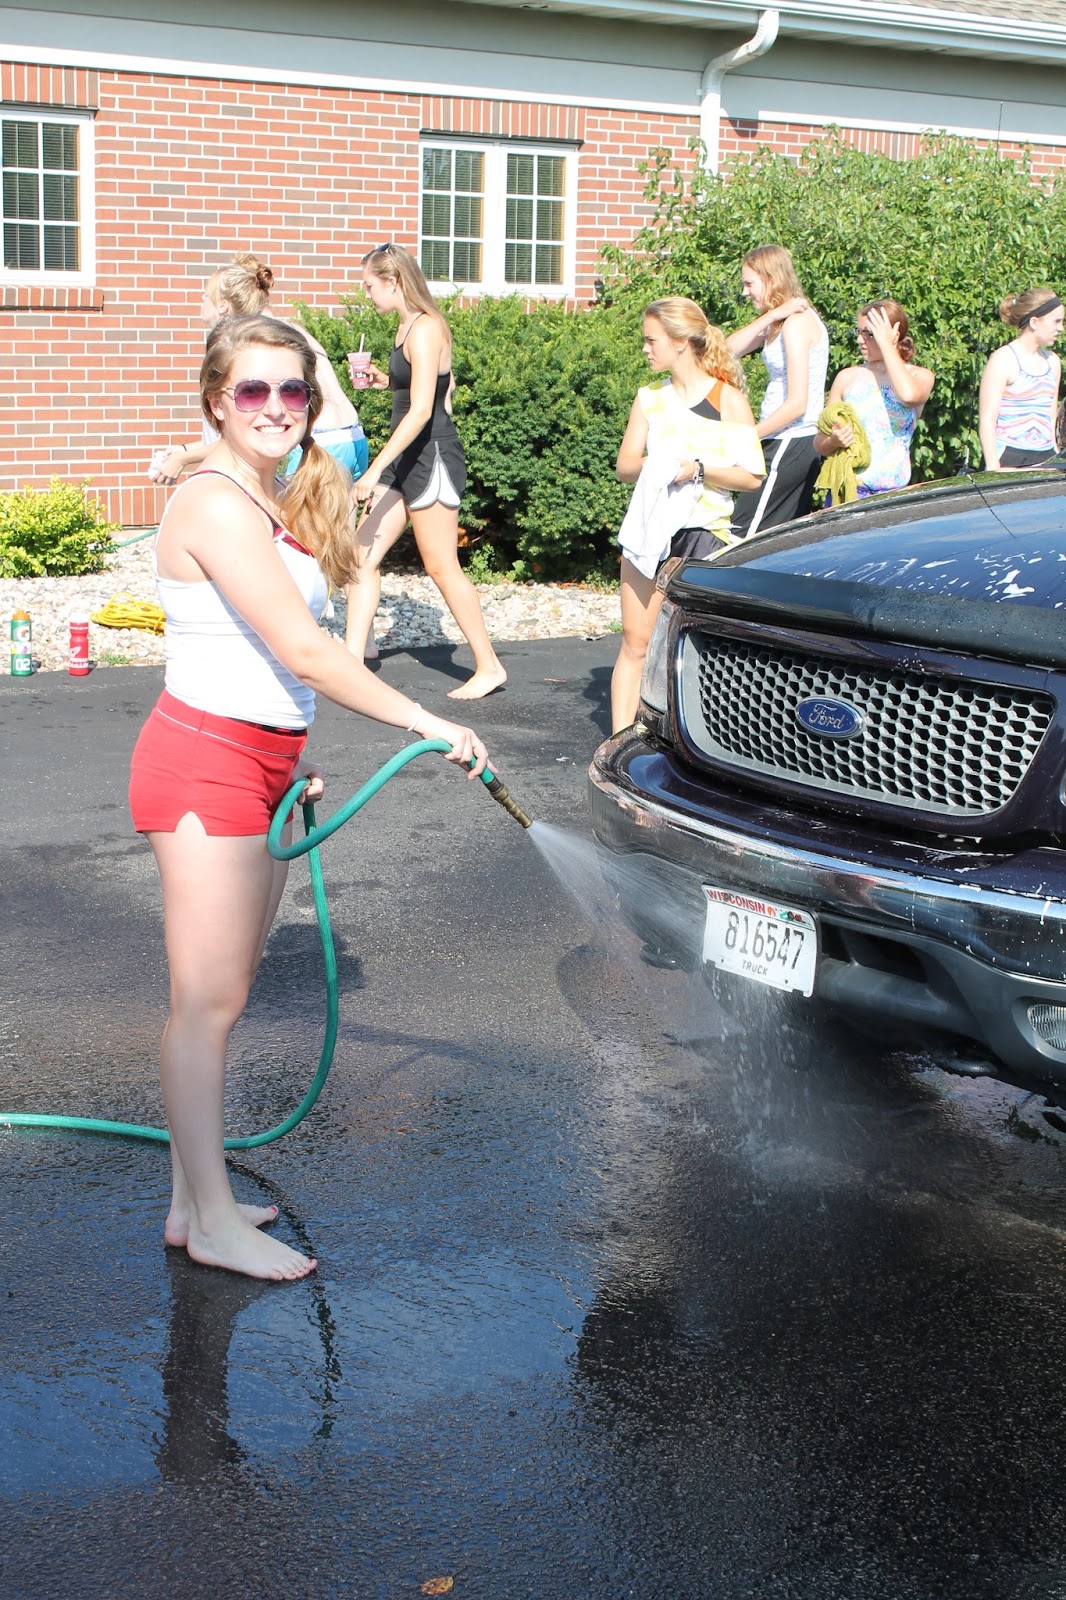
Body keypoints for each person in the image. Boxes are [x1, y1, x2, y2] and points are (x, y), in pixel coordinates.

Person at [129, 313, 489, 1282]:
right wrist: (421, 719)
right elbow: (300, 647)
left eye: (295, 391)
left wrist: (293, 760)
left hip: (260, 765)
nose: (279, 407)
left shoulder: (270, 497)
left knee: (216, 998)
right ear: (217, 399)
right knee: (209, 1002)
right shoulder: (211, 502)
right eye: (255, 390)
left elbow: (268, 666)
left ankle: (190, 1197)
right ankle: (208, 1219)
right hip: (203, 766)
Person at [344, 243, 506, 699]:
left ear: (393, 281)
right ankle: (354, 660)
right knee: (361, 555)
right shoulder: (406, 327)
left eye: (370, 285)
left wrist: (373, 470)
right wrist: (384, 380)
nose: (368, 294)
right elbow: (432, 386)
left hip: (430, 454)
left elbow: (421, 412)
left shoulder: (425, 328)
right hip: (407, 457)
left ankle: (489, 666)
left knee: (441, 566)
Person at [610, 296, 764, 733]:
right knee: (634, 643)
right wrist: (663, 464)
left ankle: (689, 741)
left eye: (651, 340)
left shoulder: (726, 400)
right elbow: (625, 465)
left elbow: (751, 475)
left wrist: (696, 468)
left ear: (680, 343)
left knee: (678, 646)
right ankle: (617, 744)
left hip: (701, 533)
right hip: (648, 529)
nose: (645, 348)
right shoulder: (649, 398)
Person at [150, 254, 368, 486]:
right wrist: (183, 451)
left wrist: (183, 458)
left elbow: (244, 432)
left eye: (206, 295)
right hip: (353, 438)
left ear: (223, 305)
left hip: (320, 445)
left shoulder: (257, 345)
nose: (201, 300)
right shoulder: (291, 330)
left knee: (288, 520)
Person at [725, 245, 829, 538]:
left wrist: (749, 436)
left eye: (749, 283)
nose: (745, 292)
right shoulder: (781, 321)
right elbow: (727, 350)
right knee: (772, 540)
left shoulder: (796, 323)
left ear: (771, 278)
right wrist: (773, 315)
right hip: (781, 438)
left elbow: (797, 403)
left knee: (741, 535)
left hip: (791, 439)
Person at [812, 300, 934, 499]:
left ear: (893, 334)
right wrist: (833, 441)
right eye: (860, 332)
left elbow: (909, 396)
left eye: (869, 334)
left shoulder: (919, 376)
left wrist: (887, 346)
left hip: (893, 495)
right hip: (850, 492)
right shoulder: (847, 377)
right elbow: (819, 442)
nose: (861, 340)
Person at [979, 288, 1063, 470]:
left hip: (1046, 456)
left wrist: (1056, 451)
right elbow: (987, 419)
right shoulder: (1003, 360)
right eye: (1056, 321)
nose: (1061, 328)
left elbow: (1051, 414)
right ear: (1034, 322)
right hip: (1009, 457)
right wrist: (993, 466)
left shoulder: (1053, 362)